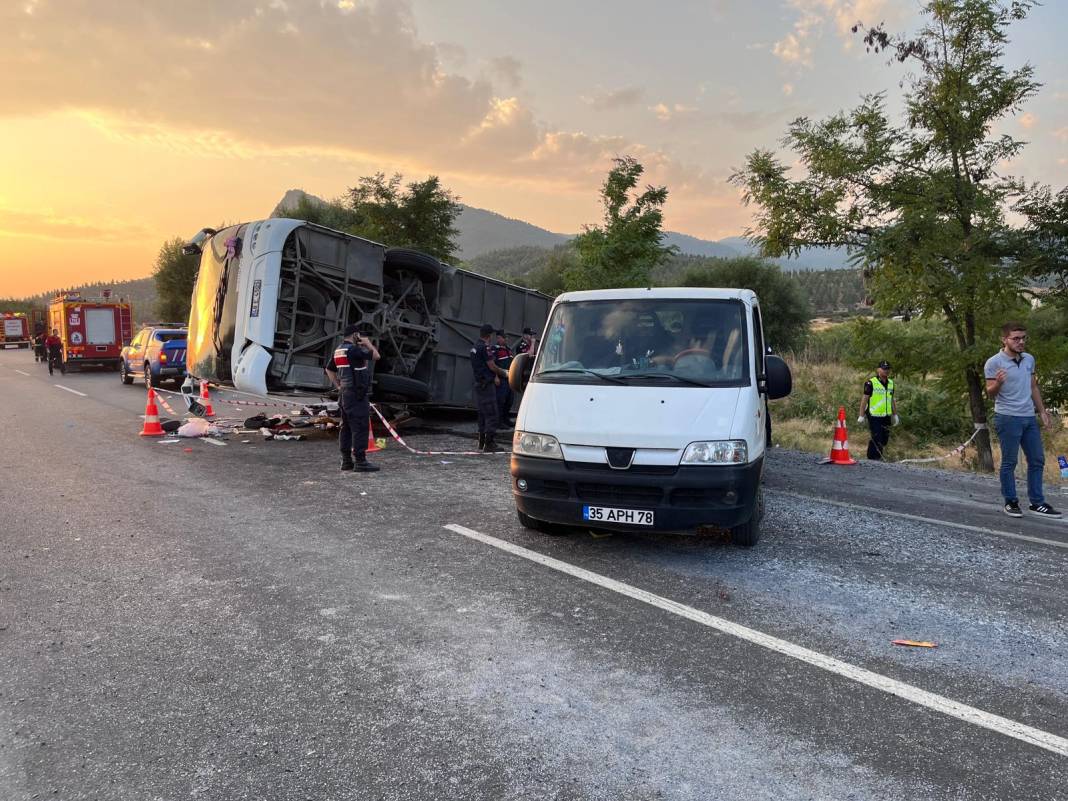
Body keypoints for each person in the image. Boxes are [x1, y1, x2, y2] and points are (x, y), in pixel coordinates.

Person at [985, 322, 1061, 518]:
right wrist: (999, 383)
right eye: (1016, 338)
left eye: (1023, 338)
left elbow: (1033, 387)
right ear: (1004, 340)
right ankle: (1010, 501)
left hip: (1028, 416)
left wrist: (1042, 411)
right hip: (1008, 417)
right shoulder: (994, 362)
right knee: (1009, 462)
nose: (1021, 342)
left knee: (1037, 459)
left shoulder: (1029, 359)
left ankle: (1037, 502)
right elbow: (990, 393)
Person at [324, 324, 381, 472]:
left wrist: (338, 385)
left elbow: (329, 369)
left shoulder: (338, 351)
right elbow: (376, 356)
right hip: (356, 394)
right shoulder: (354, 350)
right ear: (355, 335)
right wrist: (368, 343)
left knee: (346, 427)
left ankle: (346, 461)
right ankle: (361, 462)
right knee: (359, 427)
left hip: (344, 394)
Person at [470, 323, 509, 452]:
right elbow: (492, 366)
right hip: (487, 385)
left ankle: (481, 442)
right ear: (489, 335)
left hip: (479, 384)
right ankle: (490, 443)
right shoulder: (485, 348)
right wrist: (504, 373)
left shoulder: (475, 347)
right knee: (492, 414)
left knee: (482, 413)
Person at [857, 360, 898, 460]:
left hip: (886, 415)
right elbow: (864, 399)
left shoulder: (891, 383)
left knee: (884, 439)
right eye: (883, 369)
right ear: (878, 369)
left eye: (887, 369)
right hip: (874, 415)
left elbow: (891, 399)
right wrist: (861, 415)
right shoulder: (870, 383)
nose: (886, 371)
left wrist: (895, 414)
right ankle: (873, 459)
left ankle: (877, 457)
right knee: (877, 437)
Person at [493, 329, 514, 426]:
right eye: (504, 337)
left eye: (506, 337)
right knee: (500, 401)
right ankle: (498, 422)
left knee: (509, 400)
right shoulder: (495, 349)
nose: (506, 339)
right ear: (498, 338)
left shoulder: (508, 349)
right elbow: (493, 365)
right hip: (501, 379)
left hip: (509, 378)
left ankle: (505, 419)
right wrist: (495, 377)